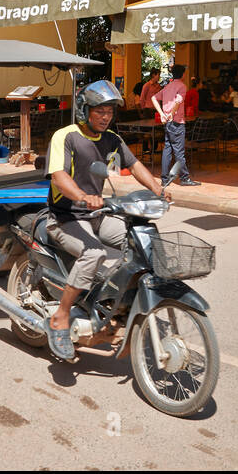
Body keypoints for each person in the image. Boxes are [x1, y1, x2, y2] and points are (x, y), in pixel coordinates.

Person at [44, 80, 169, 362]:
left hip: (97, 217)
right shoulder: (66, 136)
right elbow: (59, 177)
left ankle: (117, 302)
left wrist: (158, 189)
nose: (105, 116)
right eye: (99, 111)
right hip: (65, 217)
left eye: (110, 111)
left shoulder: (113, 139)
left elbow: (134, 165)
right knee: (94, 253)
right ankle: (61, 316)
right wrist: (82, 196)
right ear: (85, 110)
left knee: (140, 237)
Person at [153, 64, 200, 189]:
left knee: (168, 149)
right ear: (183, 74)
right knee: (179, 151)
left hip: (168, 122)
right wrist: (171, 114)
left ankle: (164, 178)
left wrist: (163, 114)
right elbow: (178, 101)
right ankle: (184, 178)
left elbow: (154, 98)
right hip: (177, 122)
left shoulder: (168, 86)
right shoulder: (182, 86)